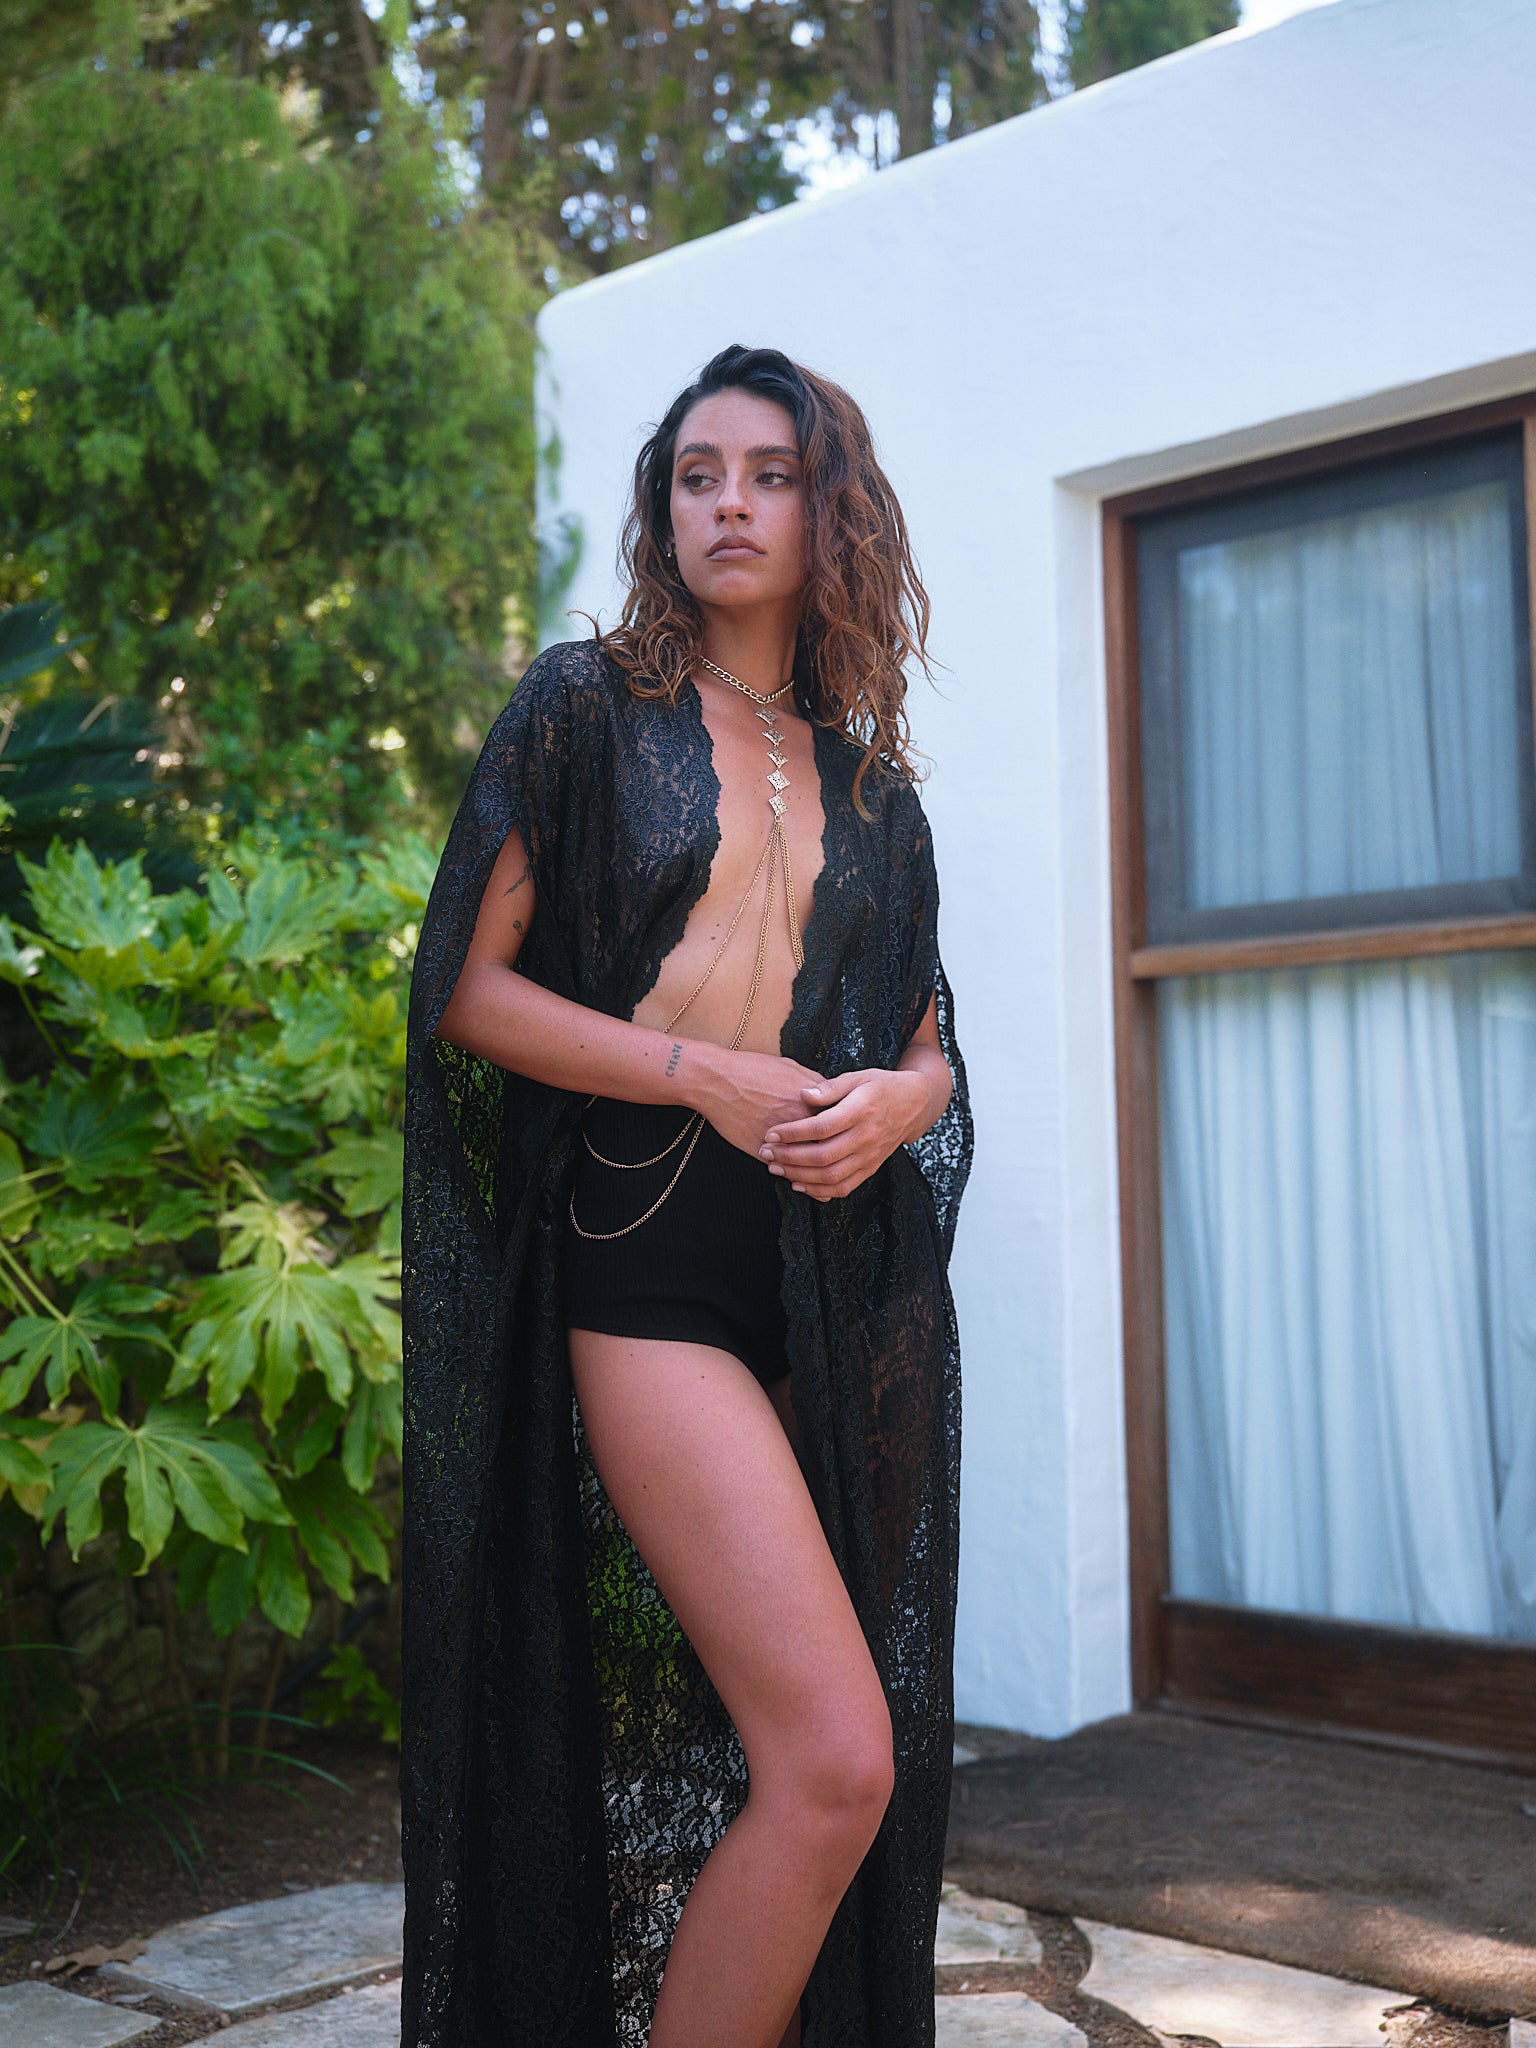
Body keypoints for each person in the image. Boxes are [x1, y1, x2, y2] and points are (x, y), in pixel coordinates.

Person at [400, 343, 971, 2048]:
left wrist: (903, 1104)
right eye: (697, 475)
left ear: (830, 510)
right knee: (834, 1761)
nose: (731, 504)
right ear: (663, 510)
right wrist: (698, 1073)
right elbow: (465, 993)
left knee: (809, 1752)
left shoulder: (875, 785)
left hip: (825, 1284)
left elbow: (932, 1041)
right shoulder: (588, 710)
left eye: (771, 475)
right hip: (643, 1261)